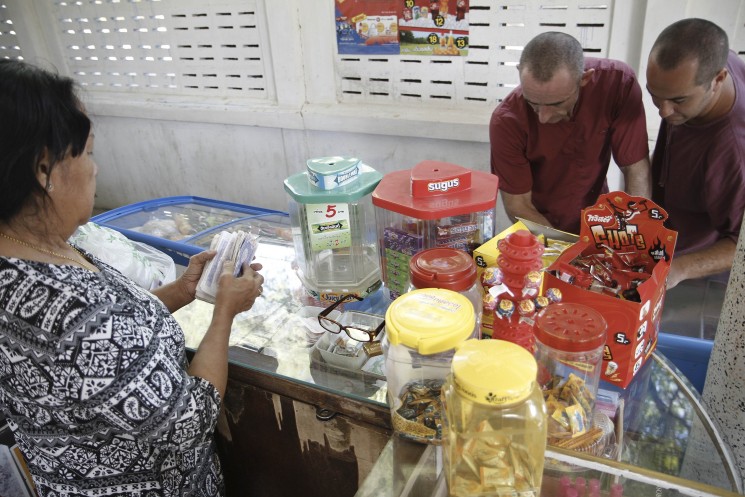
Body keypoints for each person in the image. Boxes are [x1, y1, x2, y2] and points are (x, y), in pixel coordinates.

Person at [0, 59, 264, 496]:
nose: (95, 167)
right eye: (86, 152)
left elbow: (111, 345)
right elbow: (188, 423)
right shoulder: (70, 312)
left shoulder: (32, 250)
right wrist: (224, 313)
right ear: (42, 170)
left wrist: (182, 290)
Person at [490, 32, 651, 234]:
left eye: (556, 104)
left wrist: (632, 231)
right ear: (520, 72)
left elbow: (636, 167)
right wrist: (565, 253)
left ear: (585, 79)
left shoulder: (617, 84)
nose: (543, 118)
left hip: (599, 218)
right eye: (533, 103)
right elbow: (518, 206)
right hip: (541, 223)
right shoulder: (507, 122)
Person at [646, 18, 745, 289]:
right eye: (654, 95)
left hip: (698, 272)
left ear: (718, 79)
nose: (663, 112)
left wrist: (678, 269)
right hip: (664, 239)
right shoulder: (712, 64)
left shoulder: (733, 151)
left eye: (678, 100)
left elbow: (740, 243)